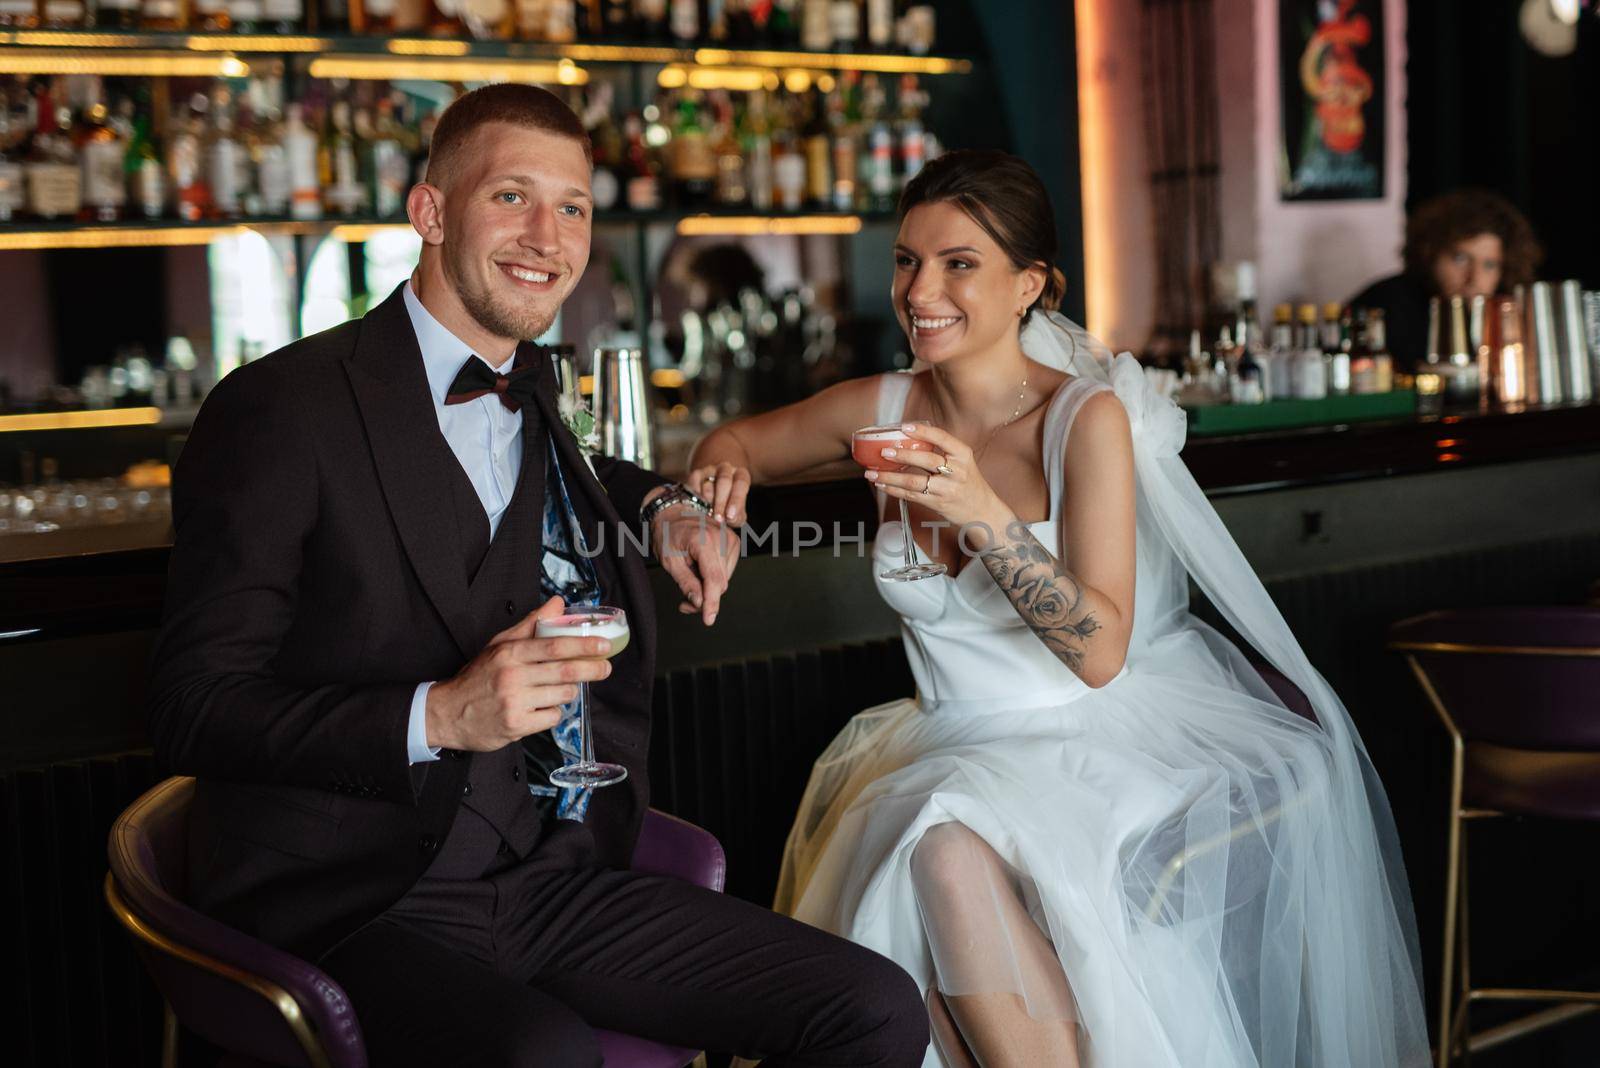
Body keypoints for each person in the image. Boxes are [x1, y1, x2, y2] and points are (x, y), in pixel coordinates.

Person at [149, 83, 927, 1068]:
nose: (546, 235)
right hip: (355, 895)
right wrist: (440, 716)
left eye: (572, 208)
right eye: (511, 196)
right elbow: (190, 706)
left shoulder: (537, 387)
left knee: (872, 1006)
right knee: (543, 1054)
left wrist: (660, 503)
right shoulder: (278, 409)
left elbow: (564, 466)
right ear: (429, 212)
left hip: (547, 872)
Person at [688, 150, 1429, 1067]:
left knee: (941, 851)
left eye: (961, 263)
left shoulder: (1084, 420)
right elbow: (732, 441)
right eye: (909, 260)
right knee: (934, 849)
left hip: (1085, 742)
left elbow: (1099, 652)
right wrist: (706, 497)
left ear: (1030, 284)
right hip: (947, 740)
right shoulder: (879, 407)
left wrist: (983, 517)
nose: (922, 288)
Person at [1351, 187, 1542, 372]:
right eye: (1460, 259)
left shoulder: (1508, 316)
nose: (1474, 278)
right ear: (1429, 253)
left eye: (1489, 265)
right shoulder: (1383, 305)